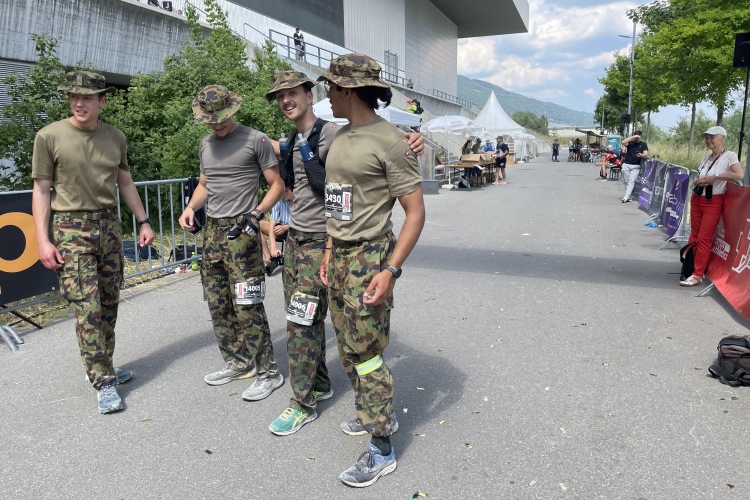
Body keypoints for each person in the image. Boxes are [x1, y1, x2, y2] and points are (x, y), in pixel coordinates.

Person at [263, 70, 424, 437]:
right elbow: (339, 203)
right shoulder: (314, 138)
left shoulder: (335, 134)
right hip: (321, 249)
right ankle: (356, 406)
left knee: (348, 344)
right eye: (279, 96)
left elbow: (410, 201)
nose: (285, 100)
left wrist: (414, 140)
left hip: (356, 252)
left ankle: (365, 431)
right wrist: (329, 249)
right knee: (337, 337)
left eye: (293, 92)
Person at [318, 53, 426, 487]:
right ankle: (371, 412)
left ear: (348, 90)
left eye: (331, 86)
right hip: (339, 256)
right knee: (348, 347)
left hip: (369, 258)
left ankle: (382, 447)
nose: (327, 93)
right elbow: (338, 202)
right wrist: (328, 249)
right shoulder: (341, 135)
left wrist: (391, 270)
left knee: (366, 354)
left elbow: (415, 213)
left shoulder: (391, 141)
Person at [31, 71, 155, 414]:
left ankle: (105, 365)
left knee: (109, 304)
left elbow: (124, 181)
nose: (79, 103)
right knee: (88, 308)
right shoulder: (49, 137)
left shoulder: (115, 137)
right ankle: (102, 380)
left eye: (86, 97)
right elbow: (41, 190)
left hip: (109, 228)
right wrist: (42, 240)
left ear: (102, 101)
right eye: (73, 96)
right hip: (71, 230)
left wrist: (143, 220)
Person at [178, 85, 286, 402]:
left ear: (232, 111)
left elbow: (277, 185)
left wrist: (257, 212)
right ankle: (238, 362)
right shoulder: (206, 145)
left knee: (247, 304)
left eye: (220, 118)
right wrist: (190, 207)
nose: (215, 124)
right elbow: (204, 184)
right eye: (209, 120)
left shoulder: (256, 140)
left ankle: (268, 372)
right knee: (217, 301)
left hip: (243, 230)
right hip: (212, 231)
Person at [680, 126, 744, 286]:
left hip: (713, 200)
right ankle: (691, 268)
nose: (708, 141)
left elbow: (739, 174)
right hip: (697, 198)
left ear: (722, 138)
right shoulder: (705, 158)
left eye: (712, 137)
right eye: (706, 138)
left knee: (704, 238)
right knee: (694, 235)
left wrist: (715, 177)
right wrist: (698, 182)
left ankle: (697, 274)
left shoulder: (729, 156)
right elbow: (701, 177)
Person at [260, 187, 293, 275]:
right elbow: (271, 225)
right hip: (282, 229)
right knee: (258, 224)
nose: (284, 194)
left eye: (287, 191)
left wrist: (286, 227)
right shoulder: (279, 200)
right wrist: (273, 248)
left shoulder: (302, 200)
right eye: (282, 191)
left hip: (296, 230)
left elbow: (305, 221)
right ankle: (269, 257)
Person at [620, 130, 649, 203]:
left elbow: (645, 154)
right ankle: (629, 196)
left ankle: (625, 197)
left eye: (638, 137)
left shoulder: (643, 144)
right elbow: (623, 142)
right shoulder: (630, 143)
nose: (637, 139)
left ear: (641, 137)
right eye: (636, 137)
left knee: (631, 181)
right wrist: (632, 137)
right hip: (626, 164)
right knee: (626, 181)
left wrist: (641, 155)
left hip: (636, 166)